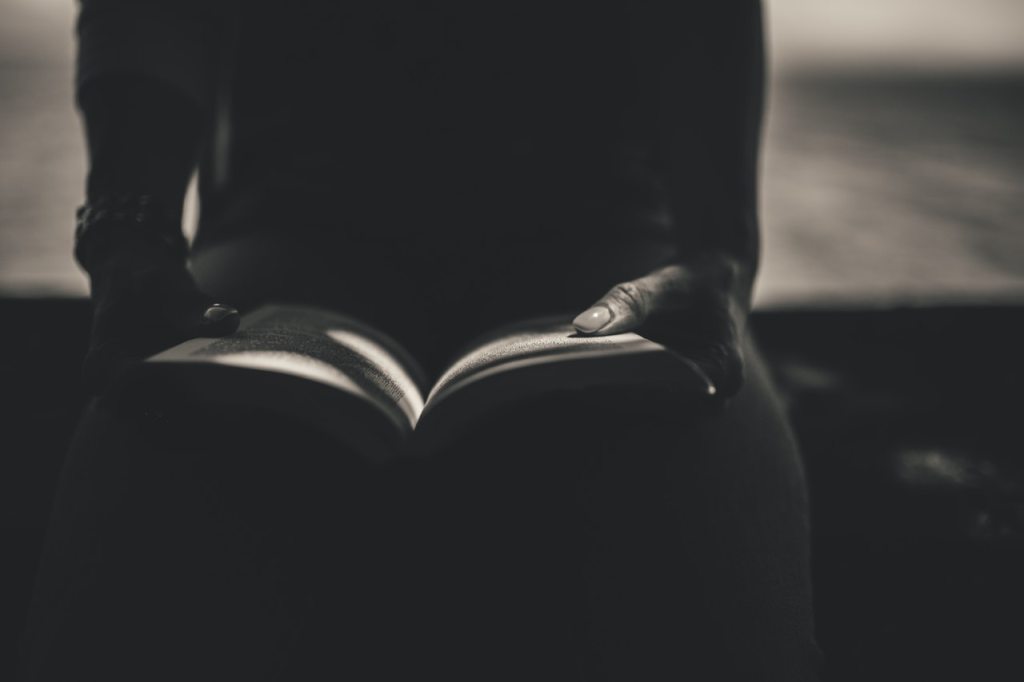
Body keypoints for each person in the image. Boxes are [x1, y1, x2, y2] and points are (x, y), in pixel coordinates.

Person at [22, 1, 822, 679]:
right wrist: (135, 236)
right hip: (293, 229)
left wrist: (718, 256)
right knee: (147, 518)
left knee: (704, 570)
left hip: (605, 239)